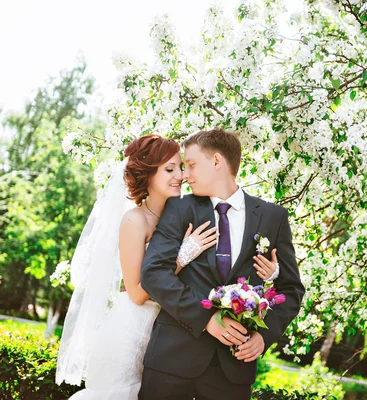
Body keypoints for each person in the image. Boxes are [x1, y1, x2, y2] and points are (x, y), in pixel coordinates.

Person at [56, 133, 280, 399]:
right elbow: (137, 293)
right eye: (170, 169)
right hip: (133, 329)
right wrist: (183, 256)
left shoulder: (187, 213)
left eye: (182, 168)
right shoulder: (134, 221)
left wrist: (270, 275)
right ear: (148, 174)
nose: (181, 176)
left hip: (171, 329)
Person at [139, 128, 305, 400]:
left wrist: (264, 337)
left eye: (191, 165)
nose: (185, 175)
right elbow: (153, 273)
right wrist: (206, 318)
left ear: (217, 161)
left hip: (233, 367)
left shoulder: (273, 217)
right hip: (172, 360)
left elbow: (291, 287)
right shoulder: (179, 208)